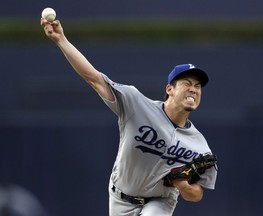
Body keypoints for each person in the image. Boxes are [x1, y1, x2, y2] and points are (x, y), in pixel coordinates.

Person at [40, 18, 217, 216]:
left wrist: (182, 184)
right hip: (119, 196)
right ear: (170, 89)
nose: (194, 89)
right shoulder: (137, 104)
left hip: (161, 201)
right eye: (187, 83)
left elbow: (197, 195)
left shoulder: (199, 146)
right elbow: (94, 79)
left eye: (198, 86)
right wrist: (61, 39)